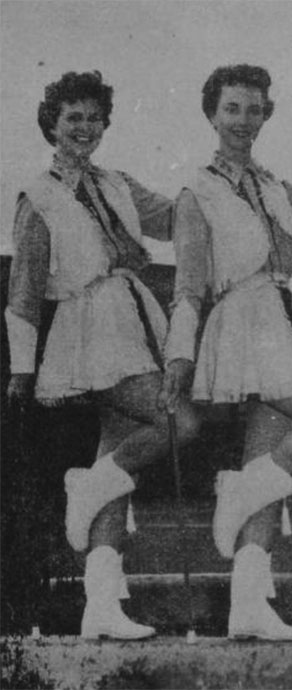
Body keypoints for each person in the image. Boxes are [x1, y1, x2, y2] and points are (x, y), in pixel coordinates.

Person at [159, 64, 292, 641]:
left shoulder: (275, 186)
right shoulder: (196, 191)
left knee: (267, 464)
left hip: (282, 318)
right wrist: (179, 357)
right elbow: (188, 286)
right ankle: (241, 489)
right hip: (245, 322)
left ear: (266, 114)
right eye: (232, 109)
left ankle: (248, 607)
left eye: (254, 109)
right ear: (212, 114)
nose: (244, 121)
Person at [5, 71, 202, 640]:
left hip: (134, 321)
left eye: (94, 118)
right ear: (52, 124)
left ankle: (101, 609)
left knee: (115, 464)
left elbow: (175, 217)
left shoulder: (118, 183)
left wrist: (209, 201)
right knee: (177, 420)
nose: (84, 128)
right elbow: (23, 292)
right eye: (73, 118)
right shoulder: (38, 197)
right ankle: (85, 488)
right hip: (88, 328)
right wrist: (22, 370)